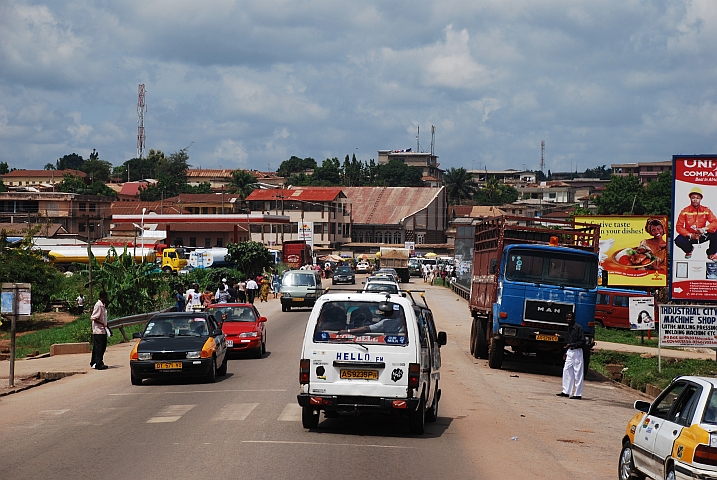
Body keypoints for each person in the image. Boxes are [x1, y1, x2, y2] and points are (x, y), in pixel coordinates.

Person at [674, 187, 717, 260]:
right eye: (693, 197)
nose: (695, 200)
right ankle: (689, 250)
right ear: (690, 198)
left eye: (697, 198)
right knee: (678, 240)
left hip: (702, 235)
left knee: (716, 231)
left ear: (700, 199)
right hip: (690, 236)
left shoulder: (706, 210)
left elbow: (715, 222)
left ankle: (711, 253)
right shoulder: (684, 211)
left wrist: (704, 229)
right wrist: (690, 235)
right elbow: (679, 227)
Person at [557, 313, 585, 399]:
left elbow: (582, 341)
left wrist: (572, 345)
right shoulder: (568, 328)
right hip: (569, 352)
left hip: (577, 352)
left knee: (578, 373)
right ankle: (566, 391)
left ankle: (578, 394)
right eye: (567, 318)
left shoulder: (578, 328)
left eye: (570, 318)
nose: (568, 319)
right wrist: (566, 351)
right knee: (567, 371)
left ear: (573, 318)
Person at [90, 291, 109, 370]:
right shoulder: (98, 305)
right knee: (100, 347)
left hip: (102, 330)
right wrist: (102, 323)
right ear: (103, 297)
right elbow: (94, 318)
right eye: (106, 297)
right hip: (98, 330)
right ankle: (99, 363)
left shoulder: (103, 305)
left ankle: (94, 362)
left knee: (97, 347)